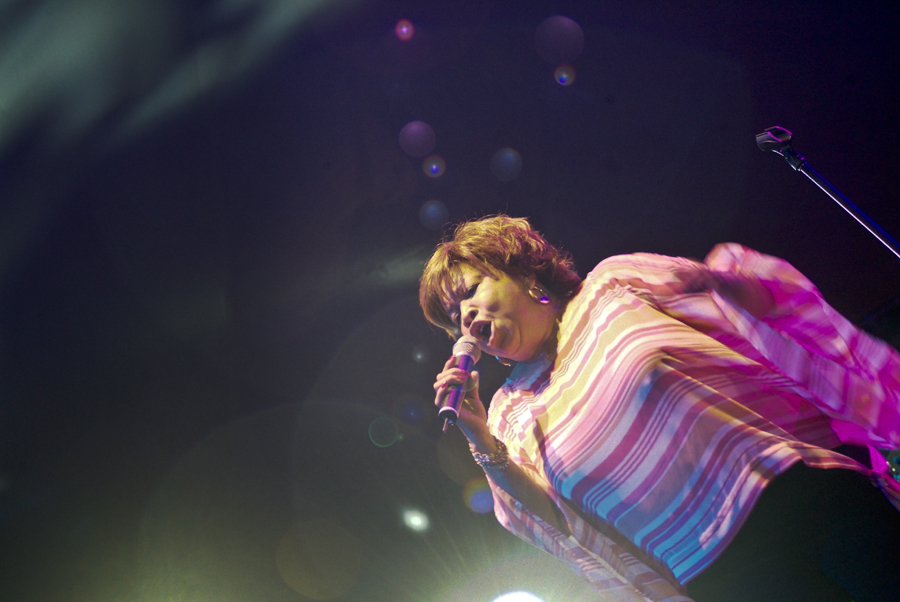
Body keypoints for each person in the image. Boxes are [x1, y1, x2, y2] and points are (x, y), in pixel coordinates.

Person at [419, 215, 900, 602]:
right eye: (453, 316)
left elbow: (750, 304)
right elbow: (553, 520)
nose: (464, 316)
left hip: (799, 494)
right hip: (721, 578)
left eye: (469, 291)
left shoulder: (611, 286)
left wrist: (724, 281)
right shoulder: (507, 413)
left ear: (521, 273)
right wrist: (479, 437)